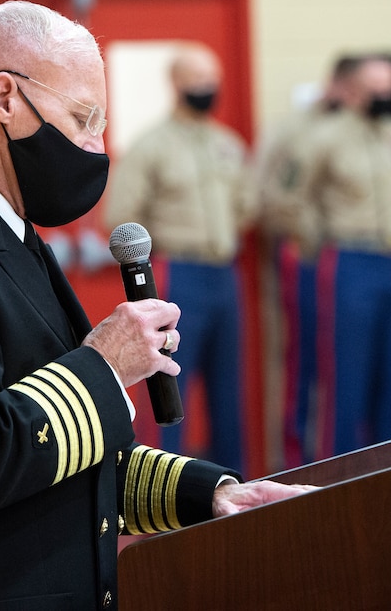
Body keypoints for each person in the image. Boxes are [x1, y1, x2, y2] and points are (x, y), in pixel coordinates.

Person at [0, 1, 309, 610]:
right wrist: (104, 368)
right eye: (85, 118)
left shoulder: (11, 237)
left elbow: (61, 463)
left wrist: (209, 495)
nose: (96, 146)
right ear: (4, 99)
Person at [105, 43, 255, 473]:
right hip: (177, 272)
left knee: (229, 390)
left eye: (212, 81)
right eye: (197, 80)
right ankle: (163, 490)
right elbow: (118, 216)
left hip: (224, 273)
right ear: (176, 83)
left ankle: (234, 492)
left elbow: (246, 205)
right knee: (169, 383)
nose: (206, 89)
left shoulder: (227, 144)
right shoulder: (150, 146)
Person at [287, 56, 391, 458]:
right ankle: (338, 470)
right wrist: (317, 243)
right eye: (376, 89)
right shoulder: (323, 137)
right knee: (346, 374)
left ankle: (387, 465)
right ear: (355, 90)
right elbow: (288, 198)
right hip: (347, 260)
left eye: (390, 89)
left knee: (390, 372)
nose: (384, 97)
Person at [257, 56, 358, 467]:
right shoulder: (296, 129)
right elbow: (272, 194)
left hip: (350, 261)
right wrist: (307, 239)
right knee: (304, 363)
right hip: (307, 255)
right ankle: (300, 461)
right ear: (336, 84)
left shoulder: (371, 133)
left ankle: (355, 459)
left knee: (348, 363)